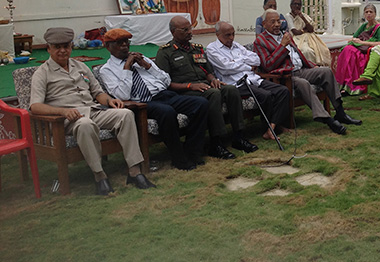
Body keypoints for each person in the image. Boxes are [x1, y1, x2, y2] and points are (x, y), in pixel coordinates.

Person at [30, 27, 155, 195]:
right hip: (69, 119)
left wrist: (110, 100)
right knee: (85, 124)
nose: (62, 51)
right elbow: (35, 106)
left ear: (71, 46)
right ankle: (100, 176)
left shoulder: (80, 66)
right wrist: (62, 112)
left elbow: (97, 92)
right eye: (57, 47)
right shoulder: (42, 73)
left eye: (66, 46)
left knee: (125, 114)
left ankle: (134, 171)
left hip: (93, 110)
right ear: (48, 49)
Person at [101, 28, 209, 171]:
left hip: (164, 95)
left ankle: (192, 150)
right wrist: (127, 67)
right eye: (119, 43)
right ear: (108, 47)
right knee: (167, 112)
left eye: (126, 42)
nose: (124, 46)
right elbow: (123, 95)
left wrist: (147, 66)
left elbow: (166, 81)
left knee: (200, 104)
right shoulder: (107, 70)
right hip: (142, 103)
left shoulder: (142, 58)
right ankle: (179, 158)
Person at [155, 16, 258, 160]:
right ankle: (216, 143)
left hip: (205, 86)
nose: (190, 32)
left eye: (190, 28)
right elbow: (164, 83)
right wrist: (190, 85)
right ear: (173, 32)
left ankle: (238, 136)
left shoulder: (197, 49)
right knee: (214, 94)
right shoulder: (165, 53)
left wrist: (213, 79)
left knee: (231, 89)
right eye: (185, 30)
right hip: (185, 92)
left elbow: (208, 71)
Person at [254, 9, 362, 135]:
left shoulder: (285, 34)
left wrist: (312, 66)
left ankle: (340, 112)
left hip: (301, 69)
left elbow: (298, 54)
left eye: (278, 21)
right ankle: (328, 120)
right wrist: (282, 46)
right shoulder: (260, 41)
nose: (277, 24)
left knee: (326, 71)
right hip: (285, 76)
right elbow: (268, 65)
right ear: (264, 24)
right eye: (273, 22)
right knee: (303, 83)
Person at [206, 21, 290, 140]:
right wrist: (246, 64)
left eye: (233, 34)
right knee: (265, 96)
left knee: (283, 91)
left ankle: (273, 126)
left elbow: (256, 60)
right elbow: (226, 68)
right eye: (227, 35)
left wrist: (237, 61)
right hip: (236, 83)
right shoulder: (212, 49)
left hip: (253, 79)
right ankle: (269, 128)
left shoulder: (236, 45)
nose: (231, 38)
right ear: (217, 34)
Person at [335, 4, 380, 95]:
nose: (369, 14)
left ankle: (351, 86)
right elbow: (354, 37)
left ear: (375, 14)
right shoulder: (364, 26)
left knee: (349, 52)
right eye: (366, 12)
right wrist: (355, 41)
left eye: (371, 12)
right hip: (359, 48)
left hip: (368, 51)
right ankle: (344, 85)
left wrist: (363, 43)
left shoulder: (379, 27)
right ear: (364, 15)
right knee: (346, 50)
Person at [284, 0, 331, 66]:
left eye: (299, 4)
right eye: (295, 4)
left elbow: (311, 29)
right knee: (307, 51)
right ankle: (310, 67)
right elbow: (295, 32)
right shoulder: (288, 16)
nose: (297, 6)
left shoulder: (303, 15)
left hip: (308, 38)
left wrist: (302, 17)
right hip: (297, 39)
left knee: (323, 50)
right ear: (291, 6)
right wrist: (304, 30)